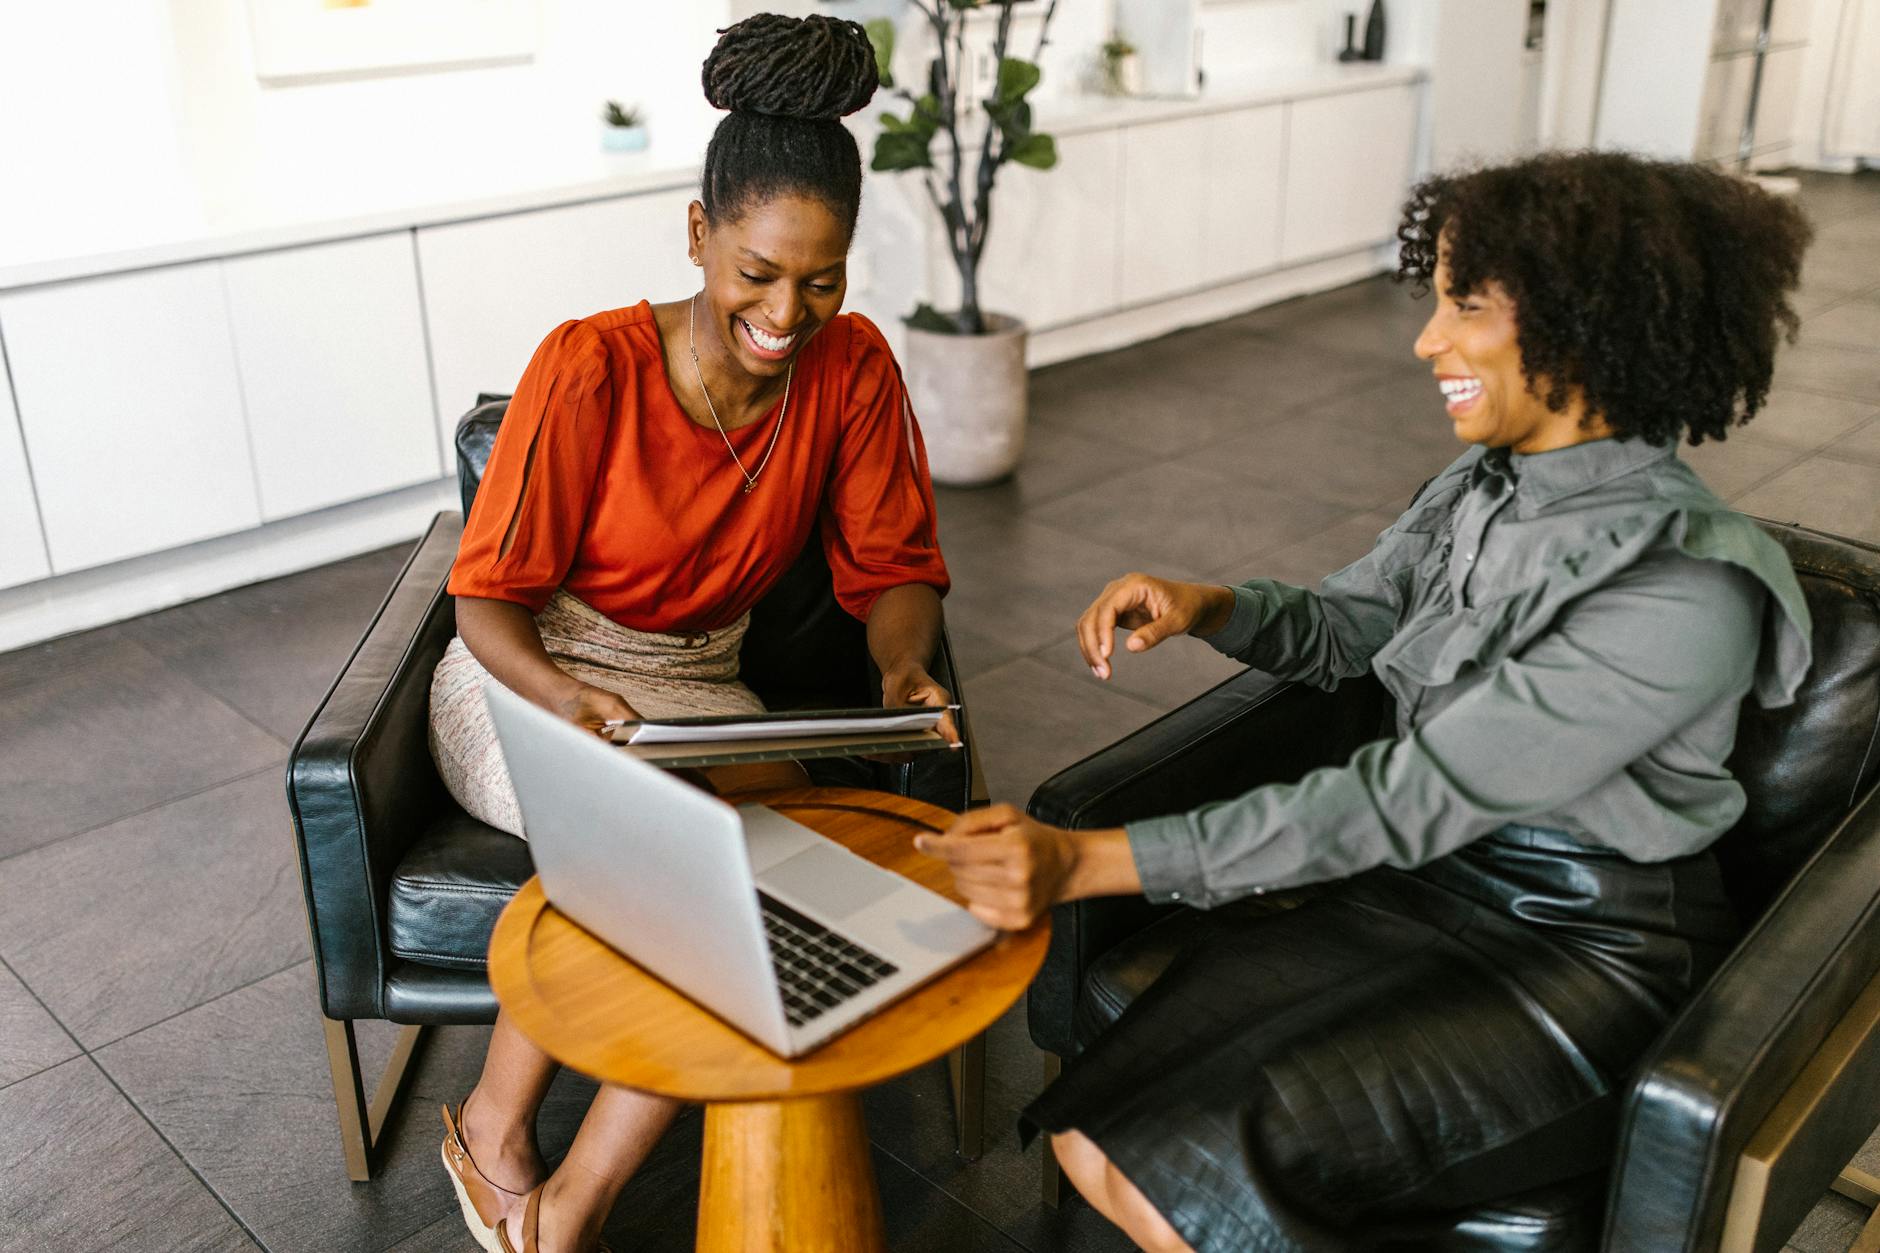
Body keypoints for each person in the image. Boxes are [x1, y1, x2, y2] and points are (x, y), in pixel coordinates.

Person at [918, 151, 1816, 1252]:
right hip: (1422, 889)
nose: (1425, 338)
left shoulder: (1683, 583)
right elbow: (1348, 628)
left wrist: (1088, 858)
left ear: (1583, 323)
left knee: (1164, 1183)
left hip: (1580, 952)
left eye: (1464, 305)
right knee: (1086, 1137)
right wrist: (1211, 605)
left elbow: (1412, 793)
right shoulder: (1478, 487)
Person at [430, 15, 953, 1253]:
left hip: (696, 684)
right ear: (697, 233)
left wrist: (898, 659)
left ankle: (566, 1199)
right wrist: (560, 697)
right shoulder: (589, 367)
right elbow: (485, 598)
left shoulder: (853, 365)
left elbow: (895, 565)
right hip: (526, 674)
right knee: (657, 862)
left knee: (790, 885)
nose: (787, 312)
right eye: (757, 273)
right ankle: (501, 1139)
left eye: (821, 282)